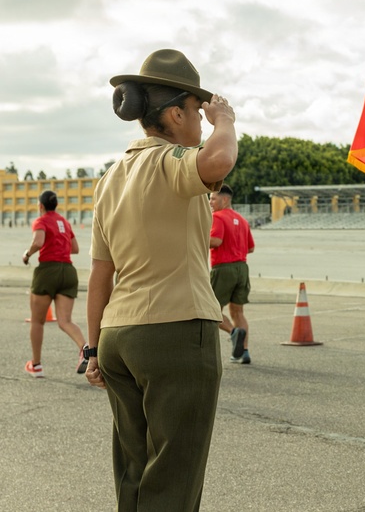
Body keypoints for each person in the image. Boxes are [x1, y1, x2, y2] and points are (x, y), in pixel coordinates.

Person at [85, 48, 237, 511]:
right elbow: (218, 162)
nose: (201, 118)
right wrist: (225, 120)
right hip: (174, 332)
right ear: (175, 112)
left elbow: (100, 273)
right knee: (173, 478)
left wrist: (92, 349)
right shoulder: (172, 161)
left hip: (117, 337)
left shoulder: (110, 178)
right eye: (196, 110)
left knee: (133, 471)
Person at [22, 190, 87, 377]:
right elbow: (75, 248)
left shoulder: (41, 220)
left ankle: (36, 365)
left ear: (40, 206)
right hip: (68, 271)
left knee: (37, 321)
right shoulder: (64, 222)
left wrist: (27, 255)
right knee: (65, 320)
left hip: (48, 271)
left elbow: (38, 241)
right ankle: (84, 349)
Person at [210, 184, 255, 364]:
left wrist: (196, 238)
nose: (210, 202)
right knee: (238, 312)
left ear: (225, 199)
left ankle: (233, 332)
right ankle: (243, 352)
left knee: (211, 310)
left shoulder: (218, 217)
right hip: (242, 268)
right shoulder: (242, 220)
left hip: (223, 268)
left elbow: (215, 241)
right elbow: (250, 248)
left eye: (213, 198)